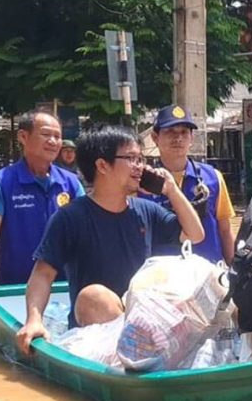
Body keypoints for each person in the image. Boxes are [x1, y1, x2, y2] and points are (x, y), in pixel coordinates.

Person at [16, 126, 205, 353]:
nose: (141, 167)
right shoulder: (70, 217)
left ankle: (150, 348)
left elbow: (195, 235)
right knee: (94, 296)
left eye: (141, 158)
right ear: (102, 165)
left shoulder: (146, 210)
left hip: (142, 318)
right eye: (131, 158)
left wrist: (172, 191)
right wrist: (34, 321)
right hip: (96, 324)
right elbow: (42, 275)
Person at [0, 112, 84, 304]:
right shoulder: (3, 181)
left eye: (57, 136)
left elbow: (88, 228)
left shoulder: (71, 183)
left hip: (65, 287)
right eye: (46, 135)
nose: (53, 141)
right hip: (16, 289)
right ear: (23, 137)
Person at [139, 104, 236, 265]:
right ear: (155, 138)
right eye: (170, 132)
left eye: (184, 132)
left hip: (209, 277)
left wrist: (234, 272)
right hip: (161, 279)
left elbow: (225, 230)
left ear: (191, 138)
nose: (178, 138)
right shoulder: (143, 182)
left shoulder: (213, 177)